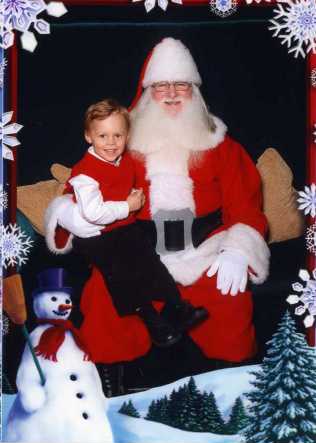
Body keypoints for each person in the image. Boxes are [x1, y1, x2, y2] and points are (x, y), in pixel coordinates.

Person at [45, 37, 270, 384]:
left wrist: (240, 250)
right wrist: (68, 214)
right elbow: (85, 182)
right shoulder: (121, 144)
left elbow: (246, 203)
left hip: (204, 248)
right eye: (161, 85)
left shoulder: (223, 146)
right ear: (148, 92)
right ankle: (110, 390)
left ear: (195, 91)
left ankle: (234, 391)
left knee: (229, 297)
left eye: (181, 84)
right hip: (139, 249)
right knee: (105, 296)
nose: (171, 94)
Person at [50, 98, 208, 349]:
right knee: (122, 270)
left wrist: (135, 201)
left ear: (127, 136)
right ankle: (151, 320)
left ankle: (176, 306)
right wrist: (128, 206)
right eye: (103, 136)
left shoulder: (124, 161)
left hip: (122, 226)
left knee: (149, 257)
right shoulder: (85, 174)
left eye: (117, 135)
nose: (111, 143)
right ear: (89, 137)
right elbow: (93, 213)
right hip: (94, 234)